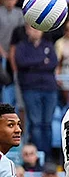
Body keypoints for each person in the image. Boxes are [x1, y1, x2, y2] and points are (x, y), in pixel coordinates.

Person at [14, 25, 58, 159]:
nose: (35, 31)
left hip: (49, 89)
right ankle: (37, 156)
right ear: (27, 30)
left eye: (37, 29)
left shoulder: (48, 45)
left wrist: (33, 64)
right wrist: (42, 60)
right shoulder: (22, 46)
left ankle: (47, 156)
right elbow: (21, 62)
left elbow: (53, 63)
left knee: (48, 124)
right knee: (36, 124)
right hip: (31, 89)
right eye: (32, 29)